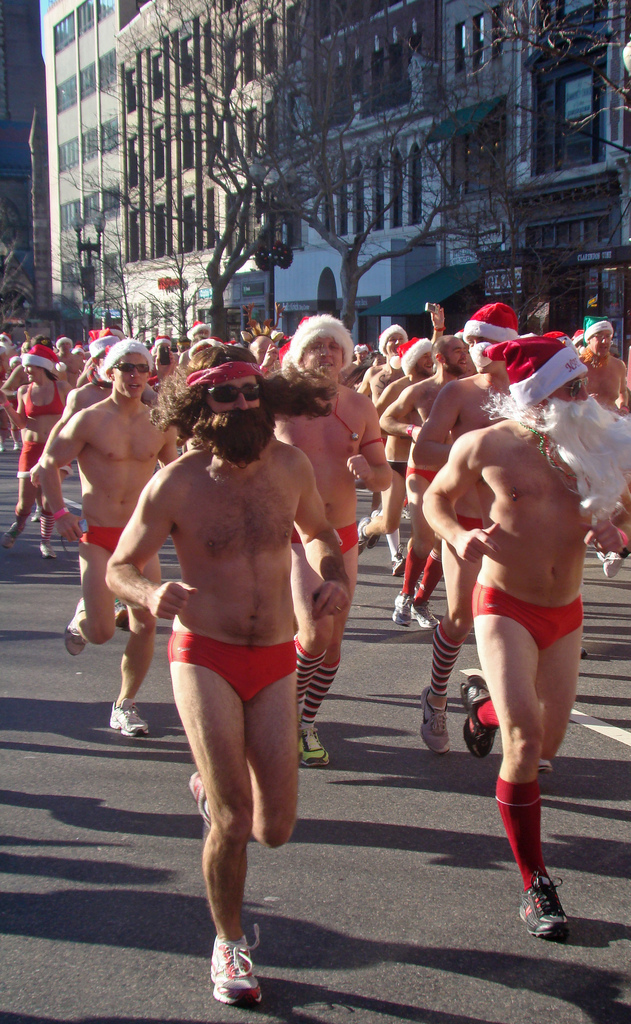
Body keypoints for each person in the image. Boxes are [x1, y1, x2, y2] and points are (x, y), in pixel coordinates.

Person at [106, 345, 347, 1006]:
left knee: (275, 828)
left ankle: (212, 795)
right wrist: (148, 597)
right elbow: (120, 565)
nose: (241, 405)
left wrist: (330, 578)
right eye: (224, 394)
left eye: (250, 392)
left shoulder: (291, 466)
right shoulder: (178, 482)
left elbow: (321, 532)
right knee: (237, 821)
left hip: (273, 657)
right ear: (198, 405)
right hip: (203, 653)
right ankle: (230, 943)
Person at [423, 335, 631, 939]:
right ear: (537, 393)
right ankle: (536, 882)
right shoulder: (487, 445)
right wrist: (458, 538)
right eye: (568, 386)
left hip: (565, 609)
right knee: (526, 738)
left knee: (547, 745)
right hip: (504, 603)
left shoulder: (595, 440)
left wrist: (613, 531)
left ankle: (482, 709)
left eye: (580, 383)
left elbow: (615, 511)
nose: (582, 393)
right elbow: (436, 497)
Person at [37, 340, 178, 736]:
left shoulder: (159, 422)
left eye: (141, 368)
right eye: (125, 368)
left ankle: (125, 704)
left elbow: (178, 471)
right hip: (97, 535)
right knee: (99, 634)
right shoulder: (89, 419)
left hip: (139, 539)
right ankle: (84, 617)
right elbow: (48, 464)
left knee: (146, 624)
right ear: (108, 371)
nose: (134, 376)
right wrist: (60, 513)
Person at [277, 315, 391, 766]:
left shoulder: (360, 406)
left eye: (334, 347)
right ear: (299, 354)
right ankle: (281, 714)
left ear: (346, 356)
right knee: (314, 632)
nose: (325, 354)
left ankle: (302, 719)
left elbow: (384, 472)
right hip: (290, 534)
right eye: (316, 346)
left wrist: (371, 473)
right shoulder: (276, 401)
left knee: (333, 640)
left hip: (341, 534)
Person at [410, 313, 517, 752]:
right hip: (466, 521)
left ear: (506, 345)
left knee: (514, 620)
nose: (476, 350)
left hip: (517, 525)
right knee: (459, 619)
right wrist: (471, 457)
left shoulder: (528, 390)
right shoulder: (458, 391)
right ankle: (435, 697)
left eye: (484, 341)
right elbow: (424, 445)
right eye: (470, 341)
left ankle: (515, 727)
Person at [376, 334, 470, 630]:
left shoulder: (470, 388)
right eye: (458, 351)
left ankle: (420, 601)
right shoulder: (419, 391)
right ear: (440, 358)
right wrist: (412, 429)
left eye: (465, 351)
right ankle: (404, 596)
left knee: (444, 545)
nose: (465, 356)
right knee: (424, 539)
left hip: (453, 473)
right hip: (422, 469)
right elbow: (385, 419)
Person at [357, 334, 436, 568]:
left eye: (430, 355)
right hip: (395, 461)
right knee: (390, 524)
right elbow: (375, 418)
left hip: (423, 463)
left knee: (422, 529)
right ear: (412, 360)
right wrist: (407, 430)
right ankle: (365, 529)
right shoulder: (397, 388)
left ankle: (409, 576)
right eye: (423, 356)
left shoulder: (435, 386)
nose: (429, 360)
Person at [0, 344, 71, 557]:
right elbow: (21, 423)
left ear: (42, 367)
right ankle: (19, 524)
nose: (26, 372)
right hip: (31, 449)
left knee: (49, 499)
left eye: (30, 368)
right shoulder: (24, 391)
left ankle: (45, 542)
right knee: (25, 502)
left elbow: (75, 414)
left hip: (56, 450)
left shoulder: (63, 388)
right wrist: (7, 405)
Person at [579, 318, 629, 413]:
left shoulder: (619, 365)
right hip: (583, 423)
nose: (604, 341)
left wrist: (623, 407)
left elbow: (622, 391)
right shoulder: (577, 365)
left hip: (610, 423)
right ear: (588, 340)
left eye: (608, 336)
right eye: (599, 336)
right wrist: (584, 401)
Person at [357, 324, 407, 403]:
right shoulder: (373, 373)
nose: (398, 342)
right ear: (384, 347)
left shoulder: (411, 373)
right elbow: (357, 401)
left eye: (401, 339)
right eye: (393, 339)